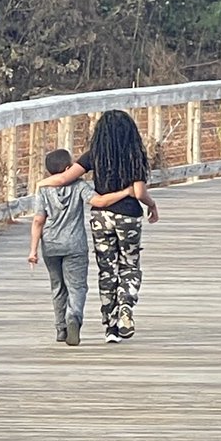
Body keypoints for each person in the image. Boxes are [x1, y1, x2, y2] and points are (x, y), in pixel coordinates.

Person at [37, 109, 159, 343]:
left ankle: (111, 326)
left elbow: (64, 178)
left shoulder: (94, 155)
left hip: (101, 217)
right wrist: (152, 205)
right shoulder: (134, 156)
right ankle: (125, 307)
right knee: (130, 265)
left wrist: (41, 184)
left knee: (107, 268)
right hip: (129, 216)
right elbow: (140, 192)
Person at [28, 148, 136, 346]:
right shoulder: (79, 186)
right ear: (69, 168)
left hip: (50, 245)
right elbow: (100, 201)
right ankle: (73, 318)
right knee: (77, 287)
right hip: (75, 245)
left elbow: (37, 220)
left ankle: (61, 329)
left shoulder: (43, 189)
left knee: (58, 287)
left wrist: (33, 250)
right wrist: (126, 192)